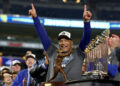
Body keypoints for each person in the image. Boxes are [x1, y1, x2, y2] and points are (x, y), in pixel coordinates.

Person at [29, 4, 92, 82]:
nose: (63, 43)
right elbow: (43, 36)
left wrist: (86, 22)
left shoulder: (78, 53)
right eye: (61, 41)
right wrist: (35, 18)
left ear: (71, 42)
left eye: (66, 40)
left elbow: (86, 38)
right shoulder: (52, 52)